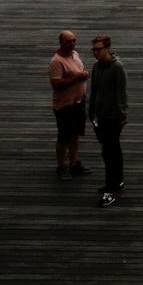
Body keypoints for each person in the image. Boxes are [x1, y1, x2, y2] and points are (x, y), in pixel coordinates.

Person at [89, 34, 129, 208]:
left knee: (109, 152)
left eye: (98, 49)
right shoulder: (97, 67)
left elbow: (121, 93)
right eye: (94, 49)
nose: (95, 52)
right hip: (101, 116)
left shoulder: (117, 68)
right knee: (112, 150)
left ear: (107, 48)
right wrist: (91, 112)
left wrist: (121, 116)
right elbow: (95, 91)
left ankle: (110, 190)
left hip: (112, 117)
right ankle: (117, 181)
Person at [48, 29, 90, 177]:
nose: (72, 44)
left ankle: (73, 163)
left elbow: (79, 71)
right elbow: (56, 84)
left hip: (78, 102)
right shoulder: (56, 61)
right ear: (61, 42)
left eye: (73, 41)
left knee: (75, 135)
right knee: (64, 137)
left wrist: (83, 75)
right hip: (65, 105)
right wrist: (77, 79)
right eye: (68, 41)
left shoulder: (75, 54)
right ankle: (61, 166)